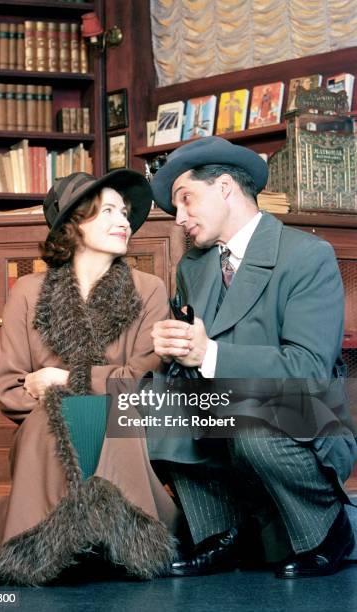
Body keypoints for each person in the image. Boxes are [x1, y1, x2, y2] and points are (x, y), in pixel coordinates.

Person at [0, 170, 178, 586]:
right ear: (75, 224)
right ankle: (50, 543)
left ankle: (110, 535)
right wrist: (78, 389)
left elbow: (142, 381)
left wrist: (63, 378)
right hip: (45, 433)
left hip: (122, 427)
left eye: (125, 212)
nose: (124, 221)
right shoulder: (28, 290)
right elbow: (10, 387)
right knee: (49, 417)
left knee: (110, 410)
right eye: (108, 210)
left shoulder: (148, 289)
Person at [149, 136, 356, 578]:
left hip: (302, 415)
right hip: (227, 411)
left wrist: (209, 353)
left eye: (186, 200)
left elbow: (307, 370)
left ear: (225, 187)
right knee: (148, 404)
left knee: (253, 428)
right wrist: (178, 352)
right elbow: (195, 361)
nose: (179, 218)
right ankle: (220, 533)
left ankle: (326, 530)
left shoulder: (306, 256)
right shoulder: (193, 266)